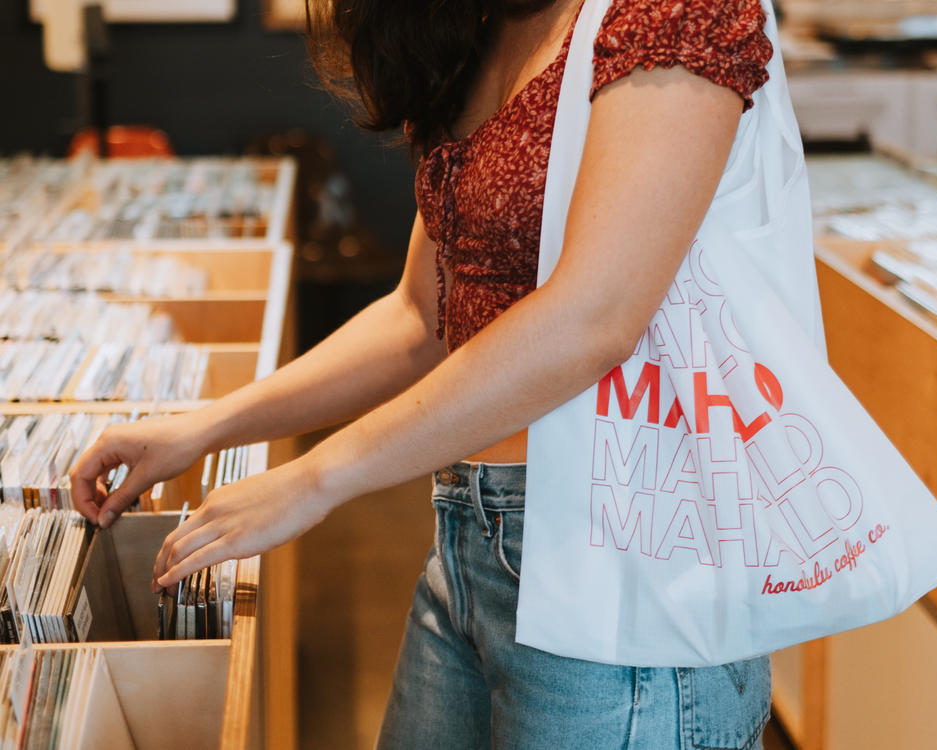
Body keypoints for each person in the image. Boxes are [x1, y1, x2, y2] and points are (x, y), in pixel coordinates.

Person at [71, 0, 776, 746]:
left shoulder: (668, 13)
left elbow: (594, 319)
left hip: (625, 561)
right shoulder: (474, 25)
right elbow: (422, 313)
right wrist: (207, 427)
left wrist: (316, 478)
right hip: (469, 537)